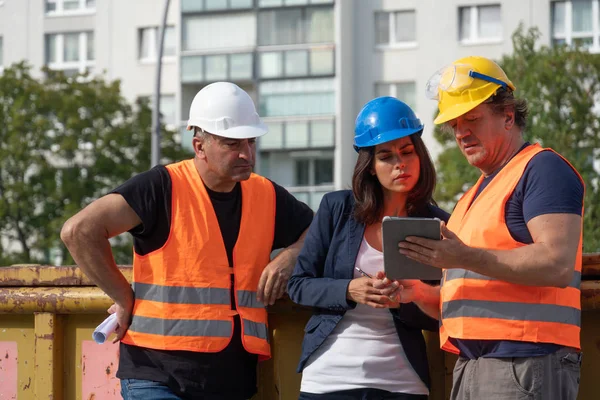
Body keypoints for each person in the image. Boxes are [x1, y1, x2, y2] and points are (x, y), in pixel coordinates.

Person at [60, 82, 314, 400]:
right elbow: (79, 231)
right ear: (199, 145)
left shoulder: (266, 194)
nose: (246, 154)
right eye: (232, 143)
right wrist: (123, 297)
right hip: (156, 374)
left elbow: (320, 233)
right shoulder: (161, 187)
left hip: (231, 380)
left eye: (250, 141)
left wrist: (291, 255)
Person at [395, 56, 585, 400]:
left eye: (472, 119)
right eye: (454, 124)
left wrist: (464, 255)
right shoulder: (472, 197)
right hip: (478, 365)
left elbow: (556, 264)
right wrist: (418, 294)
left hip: (524, 362)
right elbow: (479, 288)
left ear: (508, 116)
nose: (461, 132)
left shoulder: (543, 169)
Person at [287, 97, 449, 400]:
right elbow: (298, 285)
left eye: (407, 151)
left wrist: (408, 297)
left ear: (420, 155)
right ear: (371, 167)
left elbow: (448, 310)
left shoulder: (439, 225)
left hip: (402, 382)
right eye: (386, 156)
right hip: (329, 379)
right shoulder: (336, 209)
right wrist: (349, 289)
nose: (400, 163)